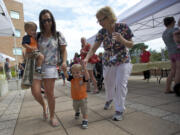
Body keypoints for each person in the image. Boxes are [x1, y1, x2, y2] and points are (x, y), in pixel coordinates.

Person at [83, 6, 133, 121]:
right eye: (98, 20)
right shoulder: (102, 32)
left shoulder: (123, 27)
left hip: (123, 58)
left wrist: (123, 40)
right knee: (108, 83)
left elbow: (131, 44)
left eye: (102, 19)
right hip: (108, 61)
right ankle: (109, 99)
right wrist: (86, 58)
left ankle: (119, 109)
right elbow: (93, 48)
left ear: (110, 17)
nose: (100, 23)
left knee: (120, 84)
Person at [31, 9, 67, 127]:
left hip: (50, 67)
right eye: (43, 21)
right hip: (38, 66)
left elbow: (63, 50)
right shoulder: (38, 35)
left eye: (48, 19)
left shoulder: (58, 34)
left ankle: (52, 116)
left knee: (49, 94)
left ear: (52, 20)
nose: (46, 22)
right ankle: (44, 106)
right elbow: (29, 48)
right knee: (36, 92)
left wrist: (64, 62)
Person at [63, 63, 89, 129]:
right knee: (75, 107)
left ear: (81, 72)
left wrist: (85, 69)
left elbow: (87, 77)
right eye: (73, 73)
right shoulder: (72, 79)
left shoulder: (83, 78)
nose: (75, 74)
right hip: (75, 98)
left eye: (77, 72)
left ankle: (85, 120)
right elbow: (67, 76)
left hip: (83, 98)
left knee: (84, 110)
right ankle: (77, 112)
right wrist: (64, 70)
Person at [162, 17, 180, 94]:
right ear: (172, 22)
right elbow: (178, 40)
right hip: (177, 52)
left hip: (170, 53)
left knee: (173, 70)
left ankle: (167, 89)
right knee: (179, 70)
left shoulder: (164, 33)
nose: (175, 22)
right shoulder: (174, 30)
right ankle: (178, 90)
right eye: (174, 21)